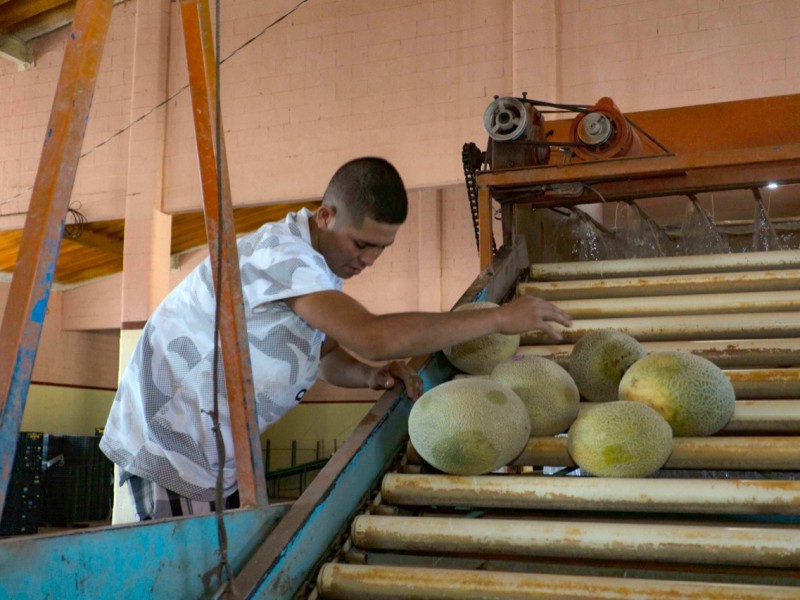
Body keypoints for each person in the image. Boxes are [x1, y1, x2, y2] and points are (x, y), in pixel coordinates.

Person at [100, 157, 572, 522]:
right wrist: (496, 319)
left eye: (380, 250)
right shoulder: (282, 256)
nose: (368, 260)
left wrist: (369, 374)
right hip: (171, 443)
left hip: (219, 452)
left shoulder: (317, 266)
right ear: (326, 215)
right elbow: (372, 335)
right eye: (361, 244)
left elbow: (325, 354)